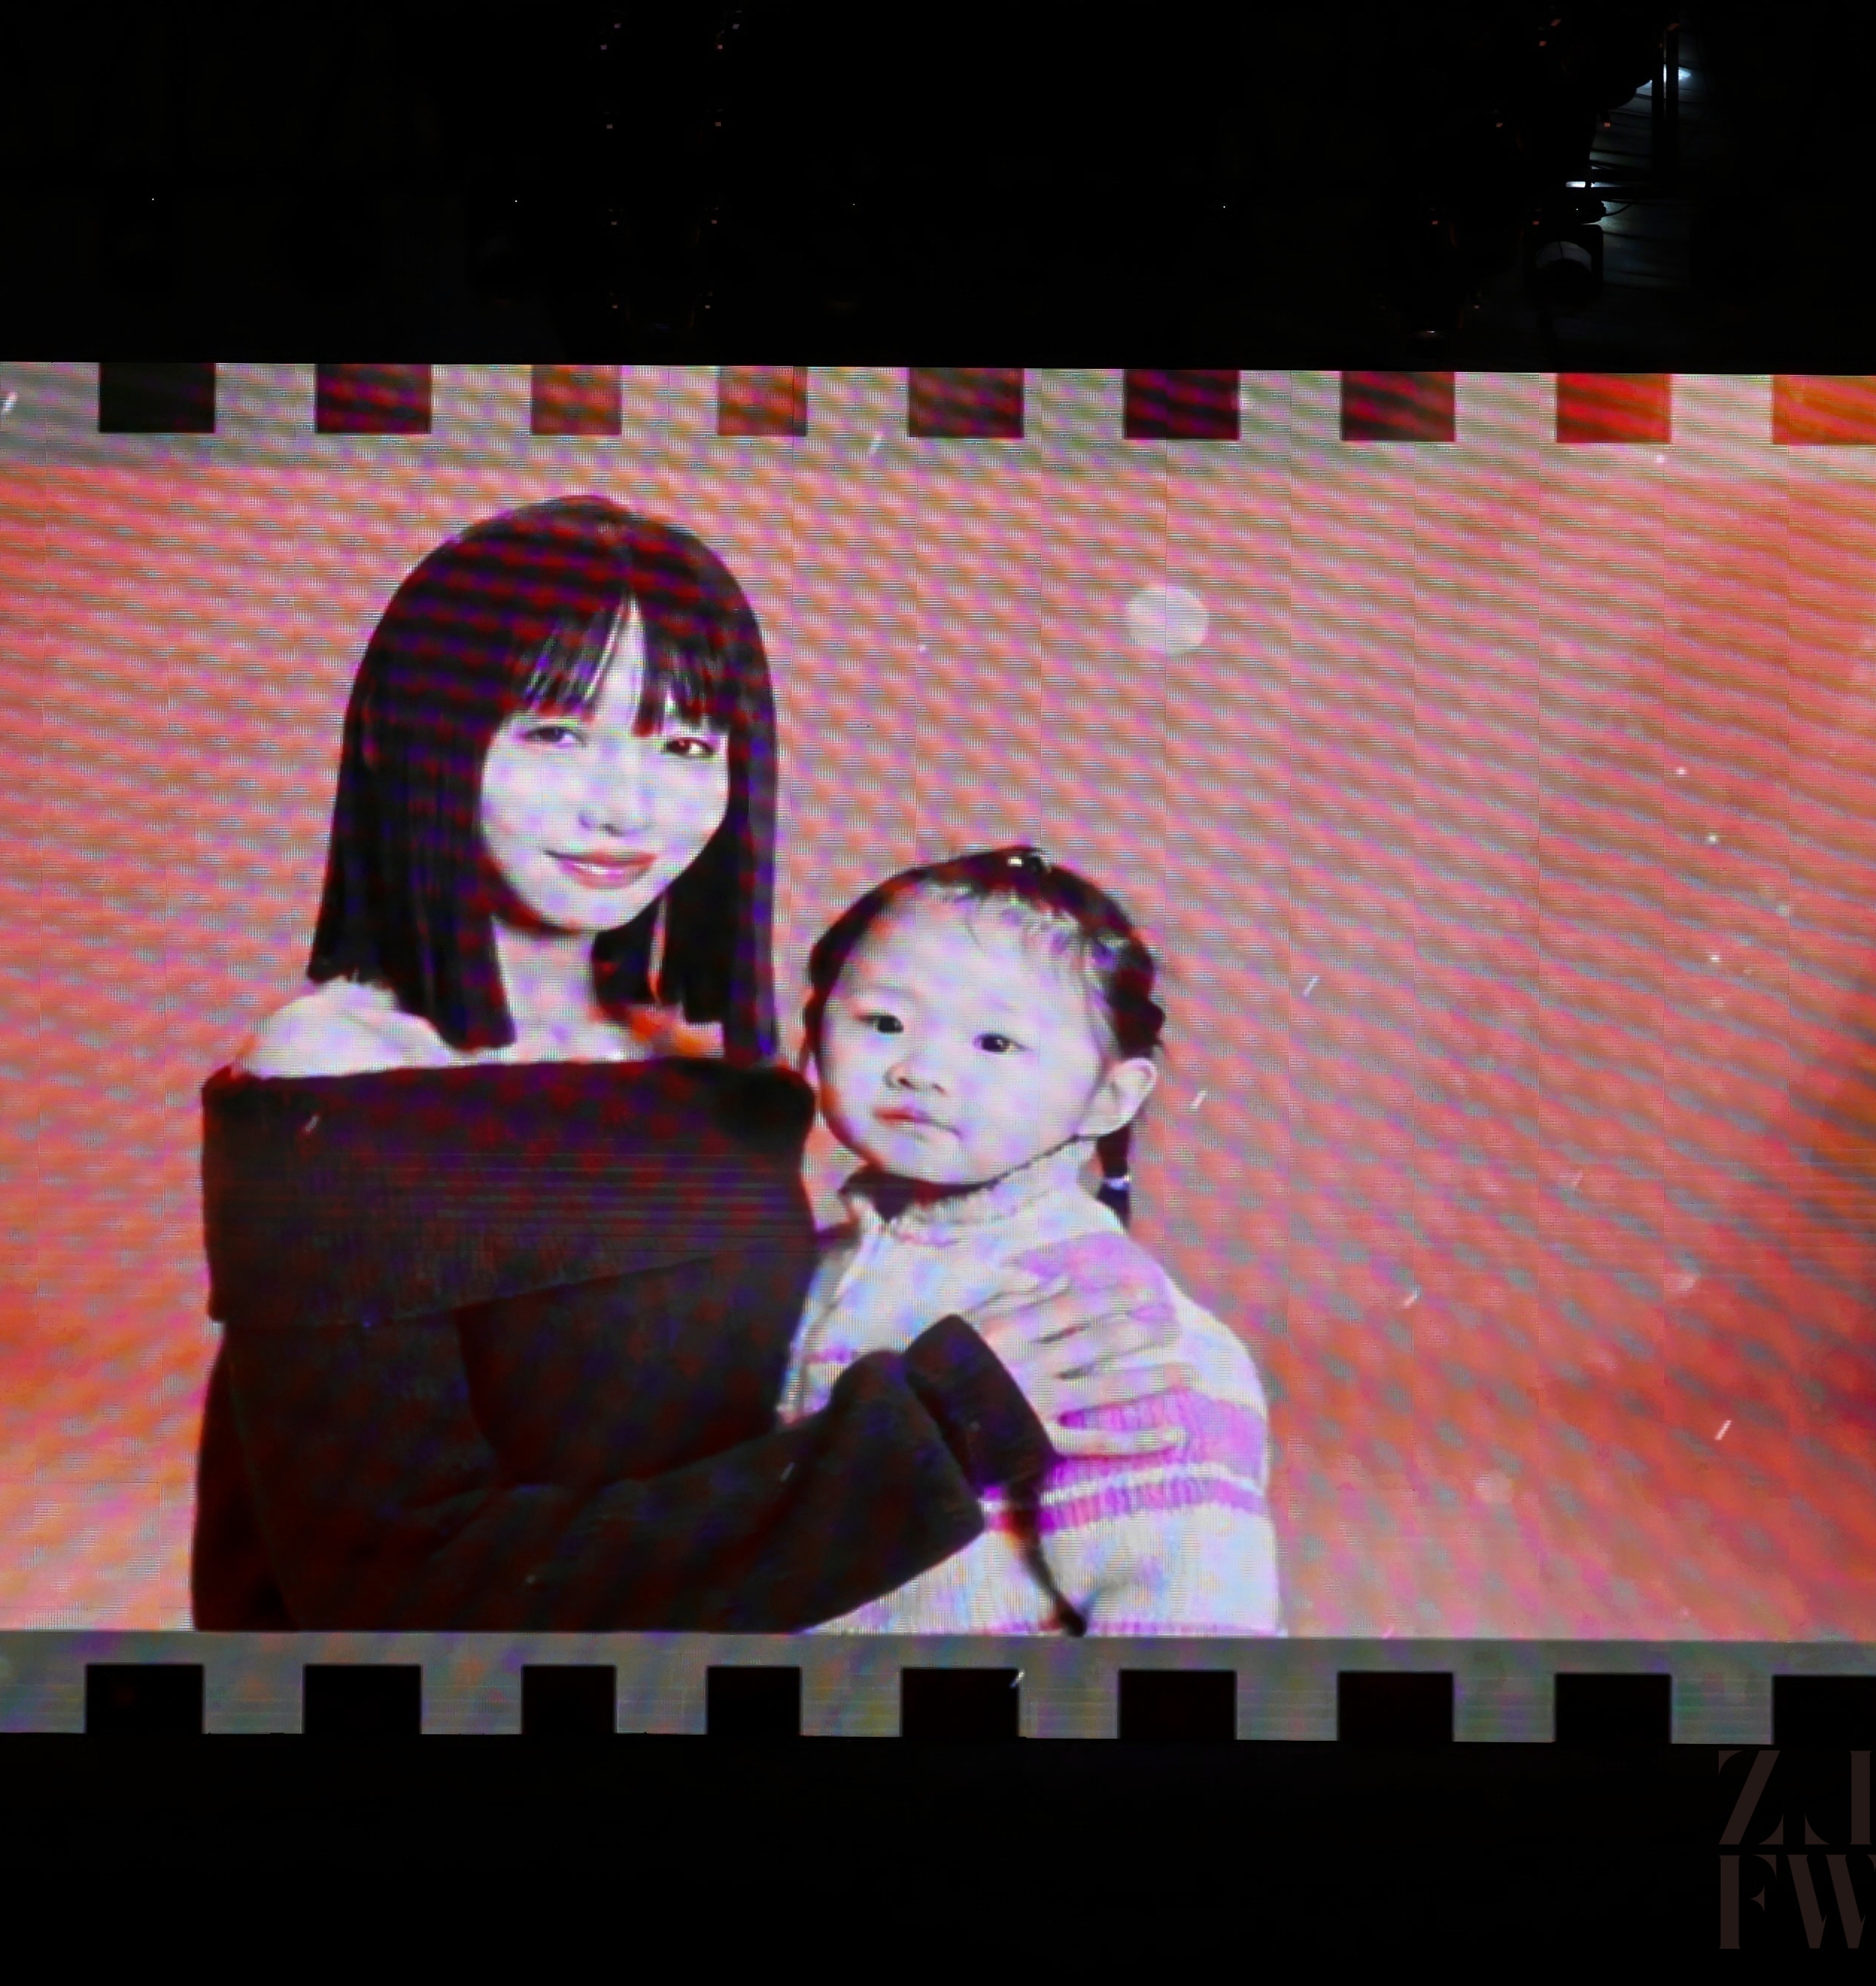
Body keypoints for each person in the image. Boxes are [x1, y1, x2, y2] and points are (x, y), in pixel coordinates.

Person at [194, 497, 1189, 1630]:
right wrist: (938, 1426)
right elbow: (385, 1582)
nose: (625, 806)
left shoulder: (717, 1076)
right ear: (405, 736)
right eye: (555, 734)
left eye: (683, 747)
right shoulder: (331, 1077)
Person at [779, 848, 1279, 1635]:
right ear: (811, 1045)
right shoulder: (797, 1269)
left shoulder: (1104, 1318)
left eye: (995, 1043)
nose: (920, 1069)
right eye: (883, 1023)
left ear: (1110, 1096)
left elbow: (1191, 1619)